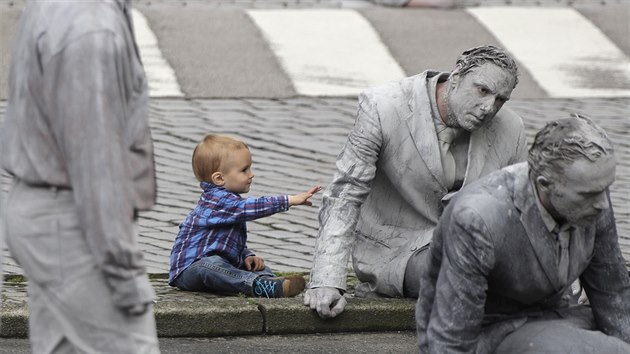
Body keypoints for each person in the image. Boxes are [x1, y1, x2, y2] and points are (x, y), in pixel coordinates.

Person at [305, 45, 527, 318]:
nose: (488, 107)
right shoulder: (384, 107)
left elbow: (521, 209)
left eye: (500, 100)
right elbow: (345, 194)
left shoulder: (511, 128)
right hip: (398, 249)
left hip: (476, 247)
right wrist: (327, 278)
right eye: (482, 90)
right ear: (456, 76)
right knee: (473, 275)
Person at [1, 0, 160, 352]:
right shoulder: (90, 27)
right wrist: (124, 273)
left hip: (49, 213)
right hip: (74, 227)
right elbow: (97, 166)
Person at [416, 114, 630, 353]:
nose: (603, 204)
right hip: (491, 331)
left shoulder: (592, 193)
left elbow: (613, 294)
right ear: (545, 184)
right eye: (590, 194)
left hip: (556, 317)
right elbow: (451, 337)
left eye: (606, 189)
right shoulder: (477, 218)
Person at [169, 134, 321, 298]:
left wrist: (246, 255)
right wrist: (289, 200)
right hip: (189, 271)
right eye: (244, 170)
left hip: (220, 263)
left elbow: (224, 242)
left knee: (255, 265)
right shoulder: (218, 202)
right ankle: (259, 285)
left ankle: (271, 283)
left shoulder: (229, 202)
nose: (251, 174)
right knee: (210, 265)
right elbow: (252, 207)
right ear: (219, 178)